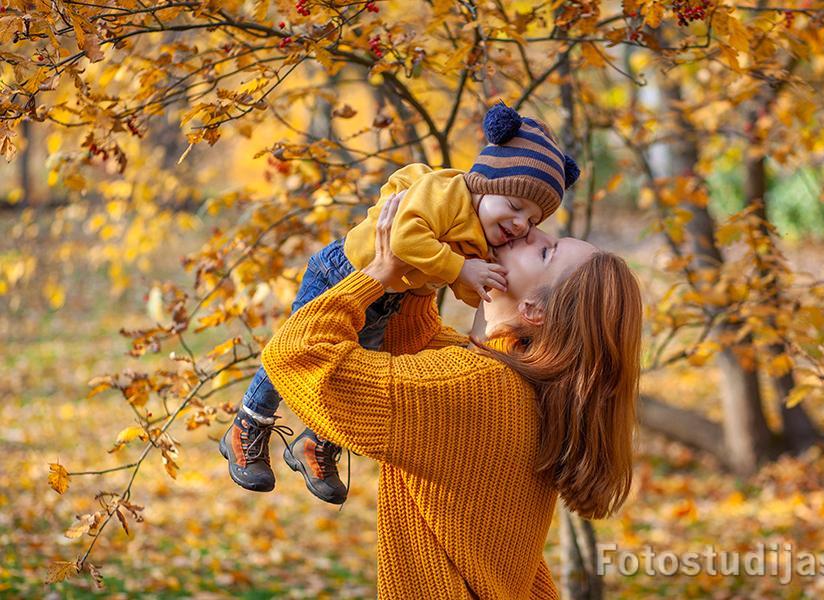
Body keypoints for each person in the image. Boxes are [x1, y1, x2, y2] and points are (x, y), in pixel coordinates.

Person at [260, 195, 643, 598]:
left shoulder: (477, 390)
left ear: (534, 309)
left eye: (546, 252)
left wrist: (377, 274)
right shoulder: (524, 385)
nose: (531, 232)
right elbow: (416, 343)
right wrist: (427, 259)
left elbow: (298, 355)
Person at [220, 102, 582, 502]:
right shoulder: (446, 194)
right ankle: (248, 424)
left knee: (360, 361)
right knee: (285, 357)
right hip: (343, 273)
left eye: (532, 222)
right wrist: (461, 270)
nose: (519, 225)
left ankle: (316, 443)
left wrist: (482, 286)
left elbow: (460, 285)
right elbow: (404, 240)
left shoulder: (483, 236)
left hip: (385, 298)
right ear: (485, 183)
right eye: (515, 208)